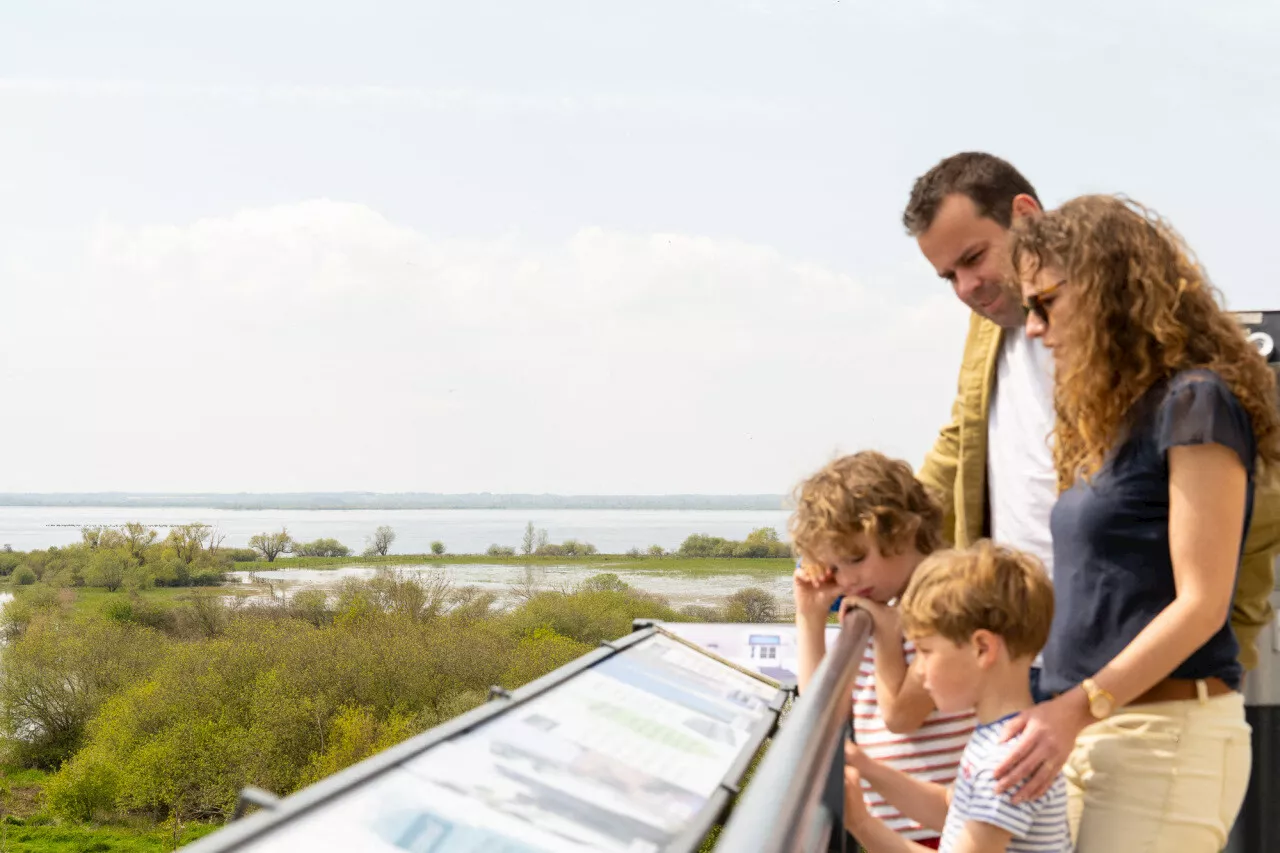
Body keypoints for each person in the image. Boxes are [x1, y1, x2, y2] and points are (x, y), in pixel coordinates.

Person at [903, 153, 1280, 683]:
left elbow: (1254, 512)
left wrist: (1225, 652)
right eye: (949, 277)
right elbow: (957, 452)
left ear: (1025, 214)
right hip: (1018, 661)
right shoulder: (986, 331)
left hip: (1143, 671)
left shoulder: (1163, 358)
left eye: (974, 257)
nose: (967, 288)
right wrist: (868, 537)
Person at [986, 194, 1280, 851]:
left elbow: (1203, 604)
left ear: (1105, 290)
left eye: (1045, 302)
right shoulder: (1117, 420)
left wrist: (1072, 708)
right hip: (1100, 734)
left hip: (1163, 740)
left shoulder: (1195, 400)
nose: (1033, 327)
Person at [791, 451, 976, 849]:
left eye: (857, 557)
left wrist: (888, 637)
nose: (848, 578)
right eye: (835, 567)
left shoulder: (949, 602)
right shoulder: (877, 609)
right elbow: (824, 714)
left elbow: (902, 716)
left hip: (947, 830)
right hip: (894, 830)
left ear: (903, 530)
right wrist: (810, 618)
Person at [842, 540, 1070, 853]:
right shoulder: (998, 739)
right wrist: (865, 766)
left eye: (925, 651)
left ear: (982, 648)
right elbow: (950, 808)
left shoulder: (1007, 762)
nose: (919, 672)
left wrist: (861, 824)